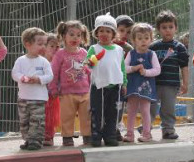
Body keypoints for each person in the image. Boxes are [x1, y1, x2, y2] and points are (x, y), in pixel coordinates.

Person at [12, 27, 54, 151]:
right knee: (24, 121)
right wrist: (23, 78)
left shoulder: (44, 62)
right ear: (27, 44)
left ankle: (36, 141)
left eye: (45, 44)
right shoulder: (21, 60)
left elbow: (50, 76)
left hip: (39, 98)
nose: (43, 47)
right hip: (23, 98)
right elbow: (15, 74)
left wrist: (39, 79)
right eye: (39, 44)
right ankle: (28, 139)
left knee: (37, 120)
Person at [87, 13, 126, 147]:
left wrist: (124, 83)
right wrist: (91, 61)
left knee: (113, 113)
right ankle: (96, 136)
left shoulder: (119, 50)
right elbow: (88, 65)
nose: (104, 33)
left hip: (115, 86)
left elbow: (122, 68)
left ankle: (110, 135)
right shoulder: (94, 48)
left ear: (113, 34)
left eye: (108, 31)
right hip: (98, 86)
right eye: (101, 31)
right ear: (96, 33)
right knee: (97, 112)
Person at [149, 10, 189, 140]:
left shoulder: (179, 47)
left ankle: (168, 130)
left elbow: (184, 66)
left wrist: (185, 83)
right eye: (164, 27)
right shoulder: (153, 47)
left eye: (170, 27)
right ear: (158, 29)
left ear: (176, 28)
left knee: (168, 108)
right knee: (150, 107)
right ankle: (146, 129)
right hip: (153, 84)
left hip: (171, 85)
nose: (167, 30)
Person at [51, 20, 91, 146]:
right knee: (67, 116)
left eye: (79, 35)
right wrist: (53, 88)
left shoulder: (84, 53)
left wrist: (91, 87)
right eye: (72, 34)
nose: (75, 38)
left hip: (84, 91)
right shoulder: (60, 54)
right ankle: (67, 137)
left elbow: (88, 71)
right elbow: (54, 72)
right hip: (66, 92)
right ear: (64, 36)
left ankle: (87, 135)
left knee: (86, 116)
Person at [123, 23, 161, 143]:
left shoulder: (151, 54)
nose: (143, 41)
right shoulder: (131, 53)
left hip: (146, 88)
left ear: (151, 39)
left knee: (145, 111)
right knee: (131, 111)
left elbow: (157, 70)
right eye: (139, 38)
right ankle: (129, 134)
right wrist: (133, 68)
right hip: (132, 87)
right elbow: (123, 67)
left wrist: (145, 72)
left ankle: (147, 134)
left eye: (146, 38)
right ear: (134, 40)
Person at [114, 14, 135, 139]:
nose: (124, 34)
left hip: (123, 84)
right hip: (106, 82)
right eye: (121, 30)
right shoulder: (106, 44)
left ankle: (116, 129)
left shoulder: (129, 49)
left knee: (119, 106)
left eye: (129, 32)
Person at [42, 32, 61, 146]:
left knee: (52, 116)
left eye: (57, 46)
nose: (54, 49)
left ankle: (49, 136)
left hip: (53, 95)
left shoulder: (58, 62)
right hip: (40, 94)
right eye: (52, 46)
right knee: (40, 115)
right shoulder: (40, 61)